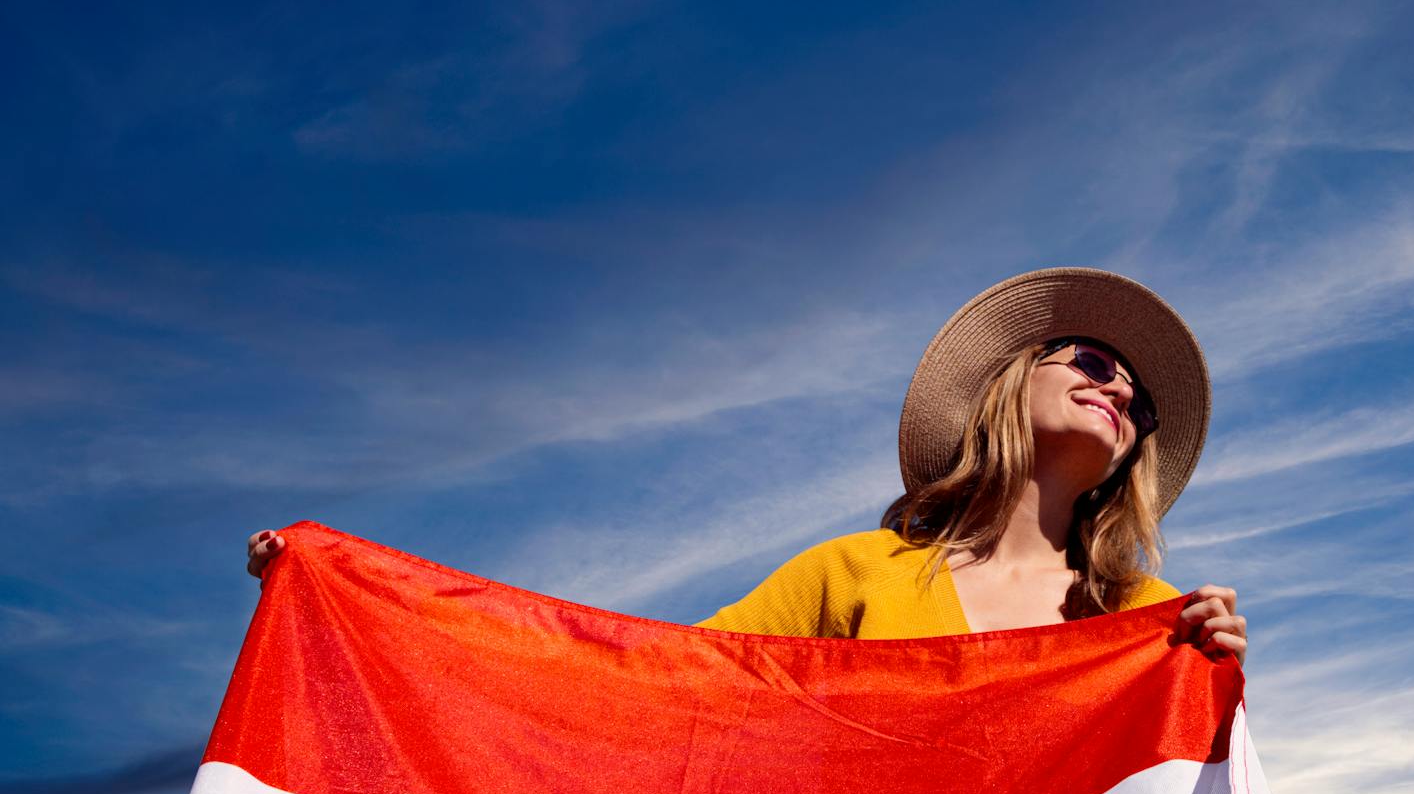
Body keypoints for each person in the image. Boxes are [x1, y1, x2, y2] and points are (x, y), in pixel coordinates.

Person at [248, 268, 1246, 659]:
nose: (1121, 393)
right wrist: (362, 597)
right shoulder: (855, 576)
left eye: (1141, 403)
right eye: (1098, 363)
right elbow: (654, 676)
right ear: (1008, 381)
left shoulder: (1146, 614)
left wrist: (1214, 683)